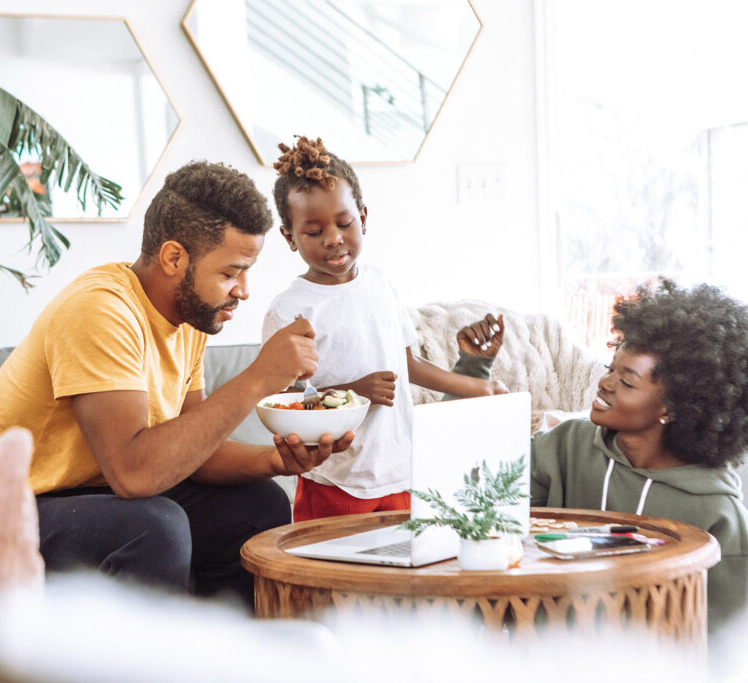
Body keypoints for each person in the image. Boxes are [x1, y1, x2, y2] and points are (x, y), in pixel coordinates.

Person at [0, 160, 354, 610]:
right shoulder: (101, 311)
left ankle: (224, 657)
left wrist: (277, 460)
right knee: (154, 525)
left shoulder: (190, 317)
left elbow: (193, 452)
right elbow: (133, 473)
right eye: (231, 272)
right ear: (173, 258)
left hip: (95, 494)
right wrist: (260, 376)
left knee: (258, 504)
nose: (243, 290)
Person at [452, 279, 748, 634]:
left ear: (672, 407)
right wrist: (471, 370)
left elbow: (722, 638)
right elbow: (470, 490)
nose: (605, 384)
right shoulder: (567, 446)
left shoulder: (717, 510)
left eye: (627, 382)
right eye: (610, 369)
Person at [263, 135, 507, 522]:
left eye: (344, 223)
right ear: (289, 237)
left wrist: (479, 387)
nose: (333, 239)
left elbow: (406, 364)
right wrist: (352, 394)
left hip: (401, 473)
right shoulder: (290, 310)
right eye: (313, 232)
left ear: (362, 217)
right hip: (336, 481)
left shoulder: (381, 284)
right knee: (333, 578)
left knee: (402, 574)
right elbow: (283, 401)